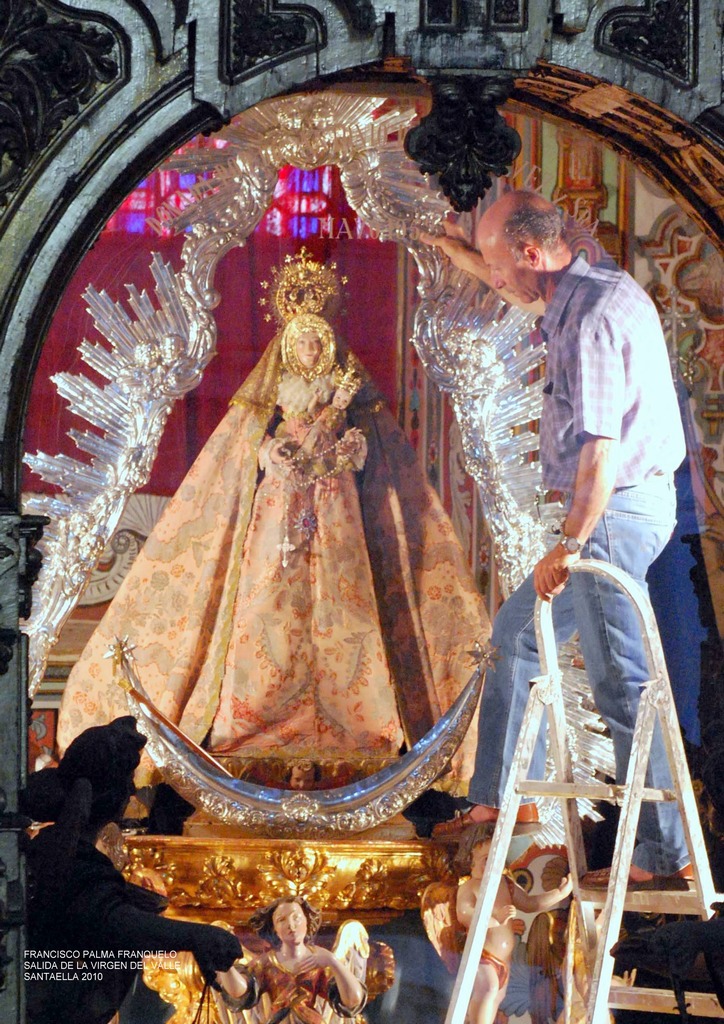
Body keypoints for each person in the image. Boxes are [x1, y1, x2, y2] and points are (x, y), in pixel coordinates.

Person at [58, 251, 488, 792]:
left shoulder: (348, 400)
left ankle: (359, 726)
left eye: (316, 342)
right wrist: (268, 454)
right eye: (301, 341)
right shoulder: (272, 400)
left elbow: (378, 464)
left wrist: (348, 448)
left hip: (338, 515)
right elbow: (240, 452)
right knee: (266, 605)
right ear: (287, 347)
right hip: (277, 516)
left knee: (346, 608)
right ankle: (254, 721)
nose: (310, 349)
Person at [430, 190, 691, 888]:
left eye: (497, 265)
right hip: (623, 508)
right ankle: (501, 799)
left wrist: (570, 543)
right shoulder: (583, 281)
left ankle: (663, 856)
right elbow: (517, 287)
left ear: (530, 252)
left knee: (621, 682)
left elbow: (601, 453)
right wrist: (460, 252)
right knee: (517, 635)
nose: (494, 279)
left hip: (612, 514)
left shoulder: (592, 321)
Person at [22, 717, 241, 1024]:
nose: (131, 789)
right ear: (108, 793)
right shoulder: (73, 860)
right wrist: (198, 935)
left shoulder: (59, 849)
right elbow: (115, 922)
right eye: (127, 779)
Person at [454, 823, 572, 1024]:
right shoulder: (470, 887)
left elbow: (530, 903)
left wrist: (559, 894)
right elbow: (465, 914)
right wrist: (494, 918)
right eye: (486, 859)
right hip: (482, 954)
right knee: (488, 989)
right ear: (470, 860)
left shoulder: (506, 883)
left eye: (497, 857)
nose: (493, 864)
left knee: (498, 995)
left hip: (504, 958)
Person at [214, 896, 366, 1023]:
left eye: (296, 918)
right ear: (274, 929)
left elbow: (352, 1000)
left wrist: (333, 961)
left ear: (307, 921)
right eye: (282, 920)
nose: (291, 925)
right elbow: (239, 992)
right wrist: (225, 964)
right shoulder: (267, 963)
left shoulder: (320, 960)